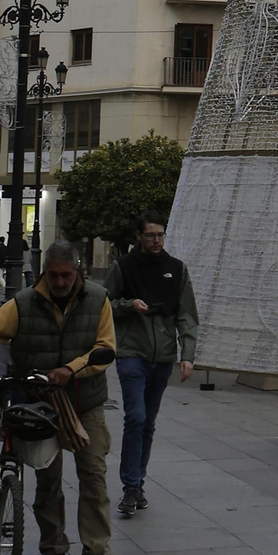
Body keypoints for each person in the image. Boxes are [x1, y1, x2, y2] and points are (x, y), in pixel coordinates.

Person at [0, 238, 118, 555]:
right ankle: (54, 551)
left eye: (66, 275)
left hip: (84, 401)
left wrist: (70, 369)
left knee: (94, 477)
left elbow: (104, 348)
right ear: (44, 272)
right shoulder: (24, 303)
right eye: (54, 275)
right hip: (40, 402)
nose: (60, 282)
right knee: (47, 480)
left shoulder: (98, 299)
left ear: (78, 271)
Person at [105, 214, 198, 517]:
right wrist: (128, 305)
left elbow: (187, 314)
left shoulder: (177, 269)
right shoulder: (123, 267)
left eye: (160, 235)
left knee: (148, 421)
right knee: (136, 417)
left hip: (163, 356)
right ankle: (131, 486)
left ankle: (138, 481)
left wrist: (187, 354)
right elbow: (104, 304)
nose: (156, 240)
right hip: (132, 351)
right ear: (139, 236)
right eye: (150, 235)